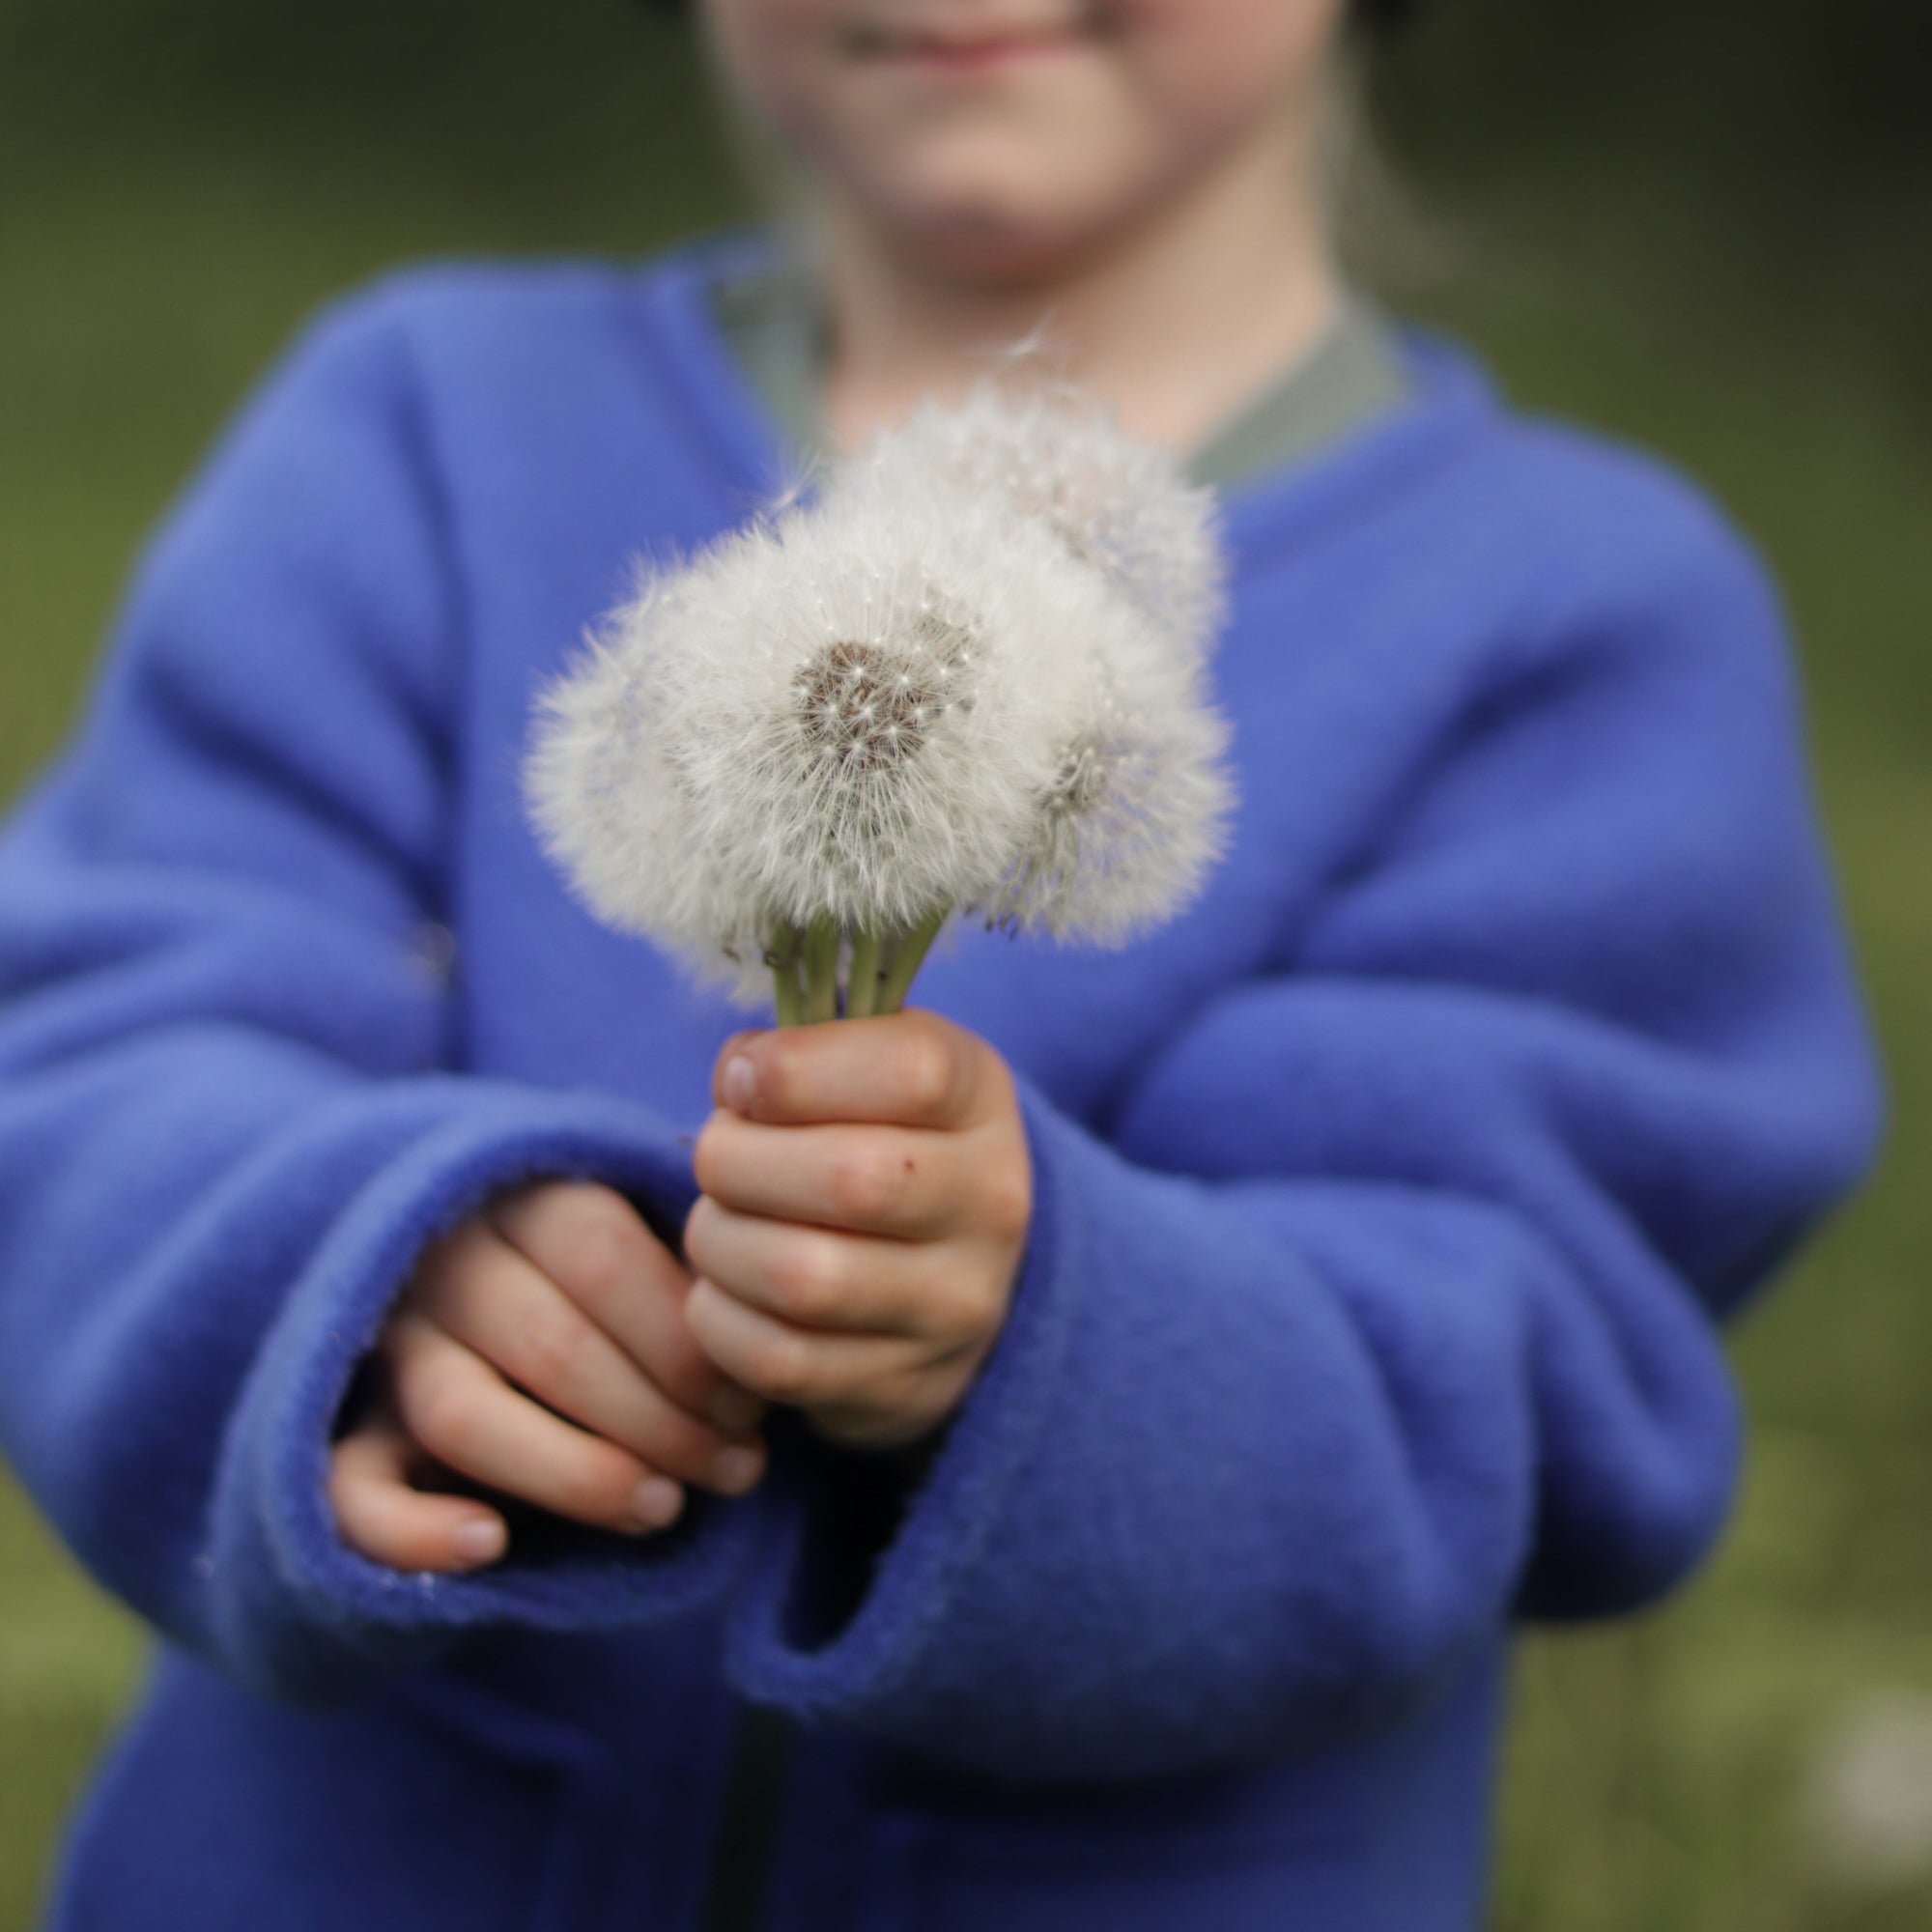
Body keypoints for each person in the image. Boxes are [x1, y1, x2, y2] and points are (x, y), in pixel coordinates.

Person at [0, 1, 1885, 1928]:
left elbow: (1486, 1364)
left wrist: (1034, 1345)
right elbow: (84, 1063)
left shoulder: (1572, 629)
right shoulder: (418, 432)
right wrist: (346, 1270)